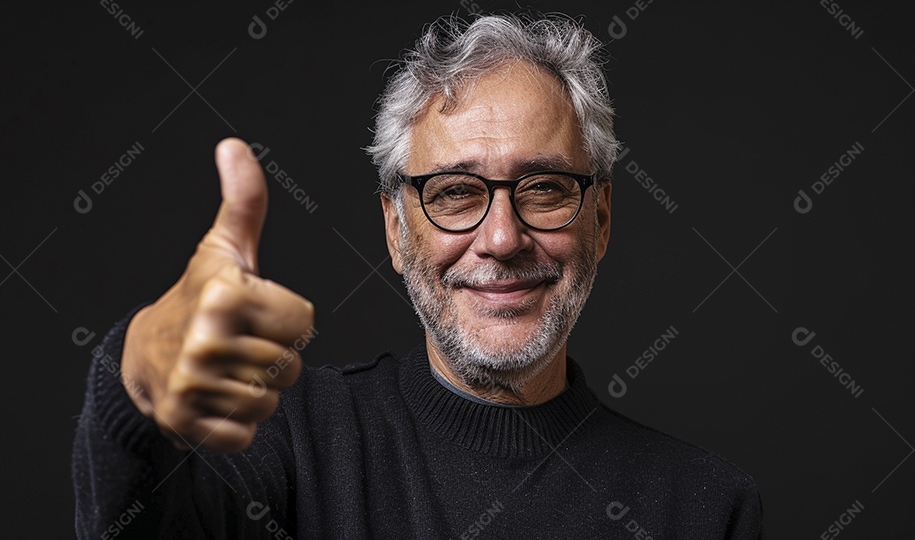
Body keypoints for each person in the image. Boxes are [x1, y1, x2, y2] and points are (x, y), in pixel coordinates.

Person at [73, 12, 763, 539]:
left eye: (545, 188)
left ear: (601, 220)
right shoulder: (284, 439)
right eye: (455, 193)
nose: (502, 239)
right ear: (396, 230)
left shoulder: (705, 509)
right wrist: (136, 377)